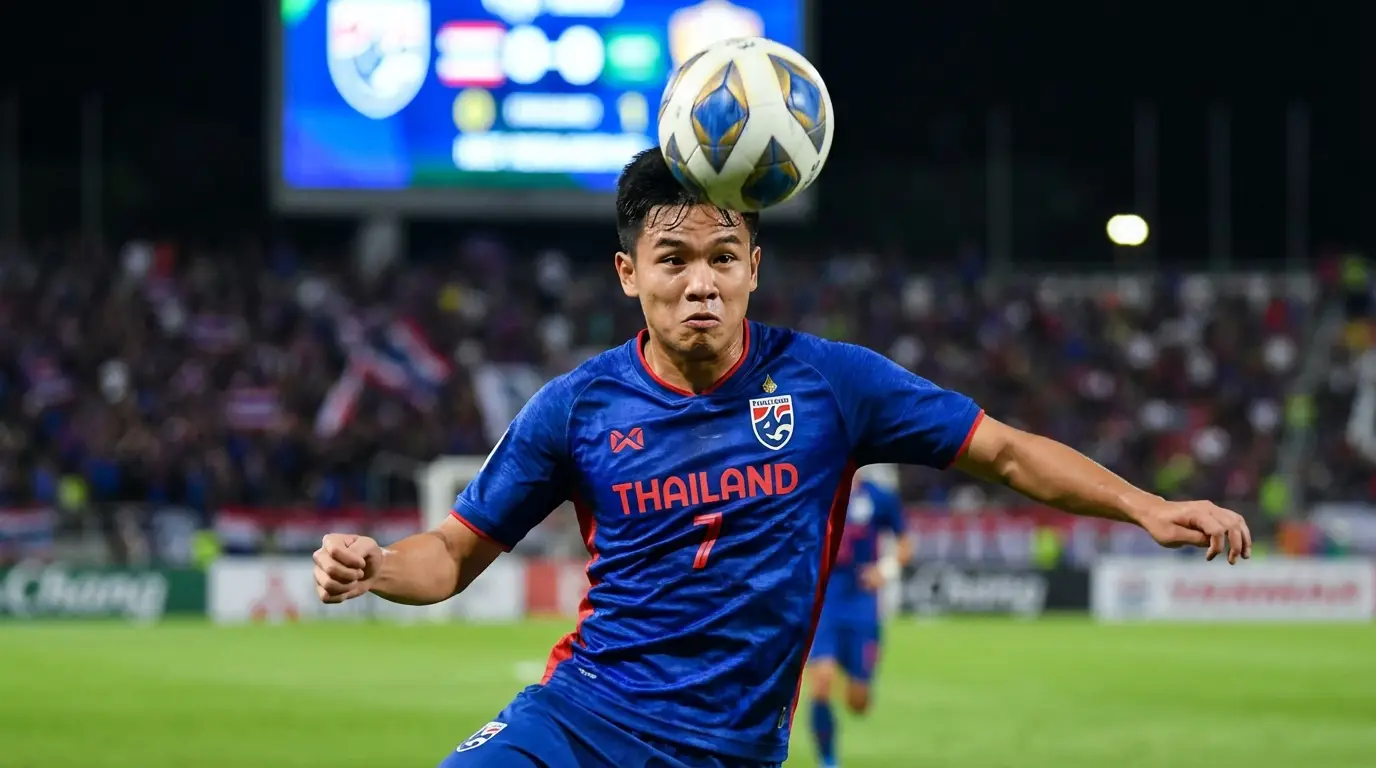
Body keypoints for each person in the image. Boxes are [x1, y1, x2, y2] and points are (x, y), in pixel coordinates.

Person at [312, 148, 1251, 768]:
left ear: (754, 267)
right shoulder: (575, 406)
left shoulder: (832, 383)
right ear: (629, 274)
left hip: (733, 748)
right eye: (673, 259)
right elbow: (453, 554)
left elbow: (1004, 453)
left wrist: (1145, 506)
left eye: (724, 257)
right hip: (583, 720)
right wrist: (378, 565)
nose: (701, 284)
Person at [806, 469, 910, 768]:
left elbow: (905, 543)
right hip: (826, 600)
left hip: (863, 604)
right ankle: (828, 759)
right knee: (821, 682)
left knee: (858, 703)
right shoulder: (818, 486)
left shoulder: (879, 497)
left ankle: (850, 672)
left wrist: (885, 570)